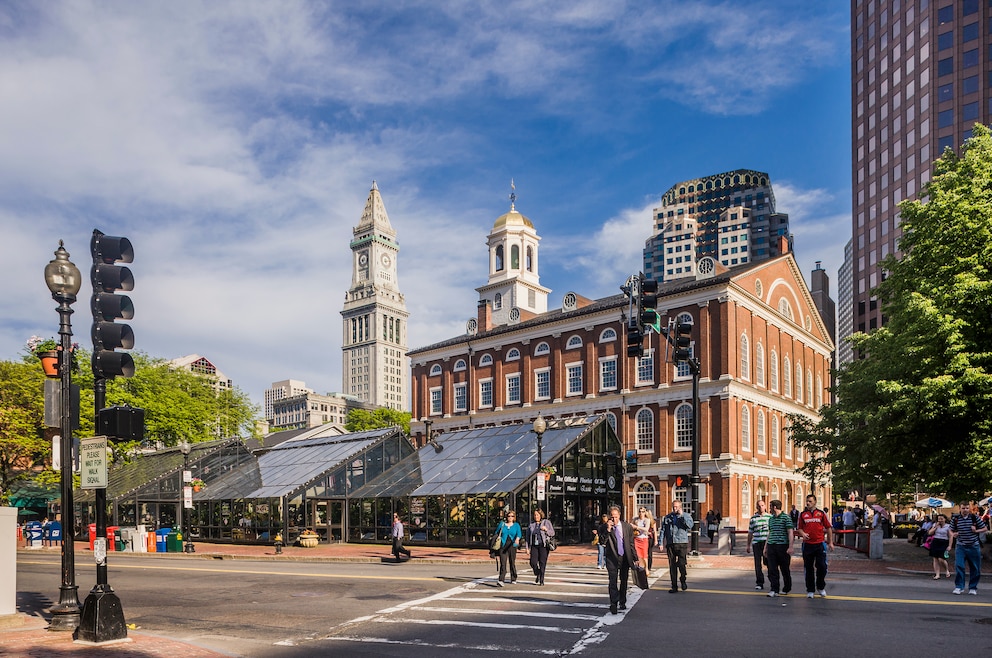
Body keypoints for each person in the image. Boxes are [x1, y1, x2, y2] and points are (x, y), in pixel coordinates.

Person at [597, 504, 640, 614]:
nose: (614, 519)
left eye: (616, 517)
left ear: (619, 516)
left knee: (624, 580)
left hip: (624, 557)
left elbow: (631, 543)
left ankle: (622, 601)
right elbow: (602, 542)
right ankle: (613, 603)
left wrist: (635, 557)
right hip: (612, 558)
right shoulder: (603, 527)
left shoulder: (627, 527)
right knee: (612, 581)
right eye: (612, 517)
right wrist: (608, 529)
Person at [797, 494, 834, 598]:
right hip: (807, 545)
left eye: (810, 501)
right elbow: (799, 528)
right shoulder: (803, 514)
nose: (808, 503)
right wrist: (803, 534)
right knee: (808, 568)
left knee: (822, 566)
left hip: (820, 543)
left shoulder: (821, 514)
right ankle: (810, 589)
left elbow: (829, 528)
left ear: (815, 502)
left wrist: (830, 542)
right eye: (807, 501)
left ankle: (821, 586)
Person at [949, 500, 988, 595]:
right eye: (963, 508)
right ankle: (959, 586)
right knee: (959, 565)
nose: (965, 510)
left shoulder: (974, 518)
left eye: (967, 508)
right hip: (961, 546)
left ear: (969, 509)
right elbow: (950, 529)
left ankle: (973, 587)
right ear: (960, 509)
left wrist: (976, 531)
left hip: (973, 546)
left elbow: (985, 528)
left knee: (975, 567)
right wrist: (953, 534)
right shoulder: (956, 518)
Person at [763, 499, 794, 597]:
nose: (769, 508)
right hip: (772, 545)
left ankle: (786, 587)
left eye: (770, 506)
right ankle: (774, 589)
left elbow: (790, 532)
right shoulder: (771, 519)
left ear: (775, 507)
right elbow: (769, 533)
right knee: (772, 568)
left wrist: (790, 546)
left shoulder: (786, 518)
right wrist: (765, 547)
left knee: (784, 568)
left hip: (783, 545)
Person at [660, 500, 693, 593]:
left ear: (680, 507)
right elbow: (663, 530)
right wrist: (660, 542)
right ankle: (674, 586)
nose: (675, 508)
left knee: (682, 564)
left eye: (677, 507)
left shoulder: (685, 516)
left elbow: (689, 526)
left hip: (681, 542)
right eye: (674, 507)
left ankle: (683, 579)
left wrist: (682, 516)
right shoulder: (667, 517)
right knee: (672, 565)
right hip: (671, 543)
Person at [746, 499, 771, 590]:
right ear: (756, 507)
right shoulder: (753, 518)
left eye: (762, 505)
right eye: (759, 506)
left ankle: (772, 580)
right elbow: (750, 532)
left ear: (765, 506)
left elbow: (771, 531)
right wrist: (748, 545)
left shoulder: (770, 517)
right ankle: (759, 582)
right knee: (757, 563)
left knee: (768, 562)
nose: (761, 507)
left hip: (766, 542)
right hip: (756, 542)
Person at [494, 510, 523, 587]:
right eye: (509, 516)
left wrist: (517, 539)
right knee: (503, 563)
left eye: (512, 516)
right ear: (506, 517)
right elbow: (496, 533)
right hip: (503, 545)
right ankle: (501, 579)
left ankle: (513, 577)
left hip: (512, 545)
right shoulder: (502, 524)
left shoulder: (516, 525)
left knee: (512, 562)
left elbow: (519, 534)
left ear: (514, 517)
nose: (510, 517)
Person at [526, 509, 555, 586]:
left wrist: (546, 530)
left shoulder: (546, 522)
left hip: (543, 546)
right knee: (533, 562)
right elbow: (528, 537)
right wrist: (527, 548)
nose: (536, 516)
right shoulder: (531, 525)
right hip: (534, 546)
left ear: (541, 515)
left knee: (542, 563)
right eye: (535, 515)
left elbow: (552, 533)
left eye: (537, 515)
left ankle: (542, 579)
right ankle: (537, 573)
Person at [927, 514, 952, 580]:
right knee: (935, 558)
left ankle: (946, 570)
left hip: (944, 542)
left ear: (945, 519)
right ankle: (937, 574)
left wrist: (950, 545)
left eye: (941, 519)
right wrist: (935, 527)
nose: (940, 520)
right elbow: (930, 533)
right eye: (939, 519)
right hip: (936, 541)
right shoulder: (935, 525)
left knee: (941, 558)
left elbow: (950, 536)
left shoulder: (948, 526)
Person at [633, 508, 651, 574]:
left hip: (644, 539)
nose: (641, 513)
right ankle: (640, 567)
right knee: (637, 555)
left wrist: (637, 527)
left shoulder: (647, 520)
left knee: (644, 555)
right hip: (637, 538)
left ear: (645, 512)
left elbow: (646, 529)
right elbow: (632, 526)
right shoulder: (635, 519)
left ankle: (646, 568)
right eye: (640, 512)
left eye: (643, 512)